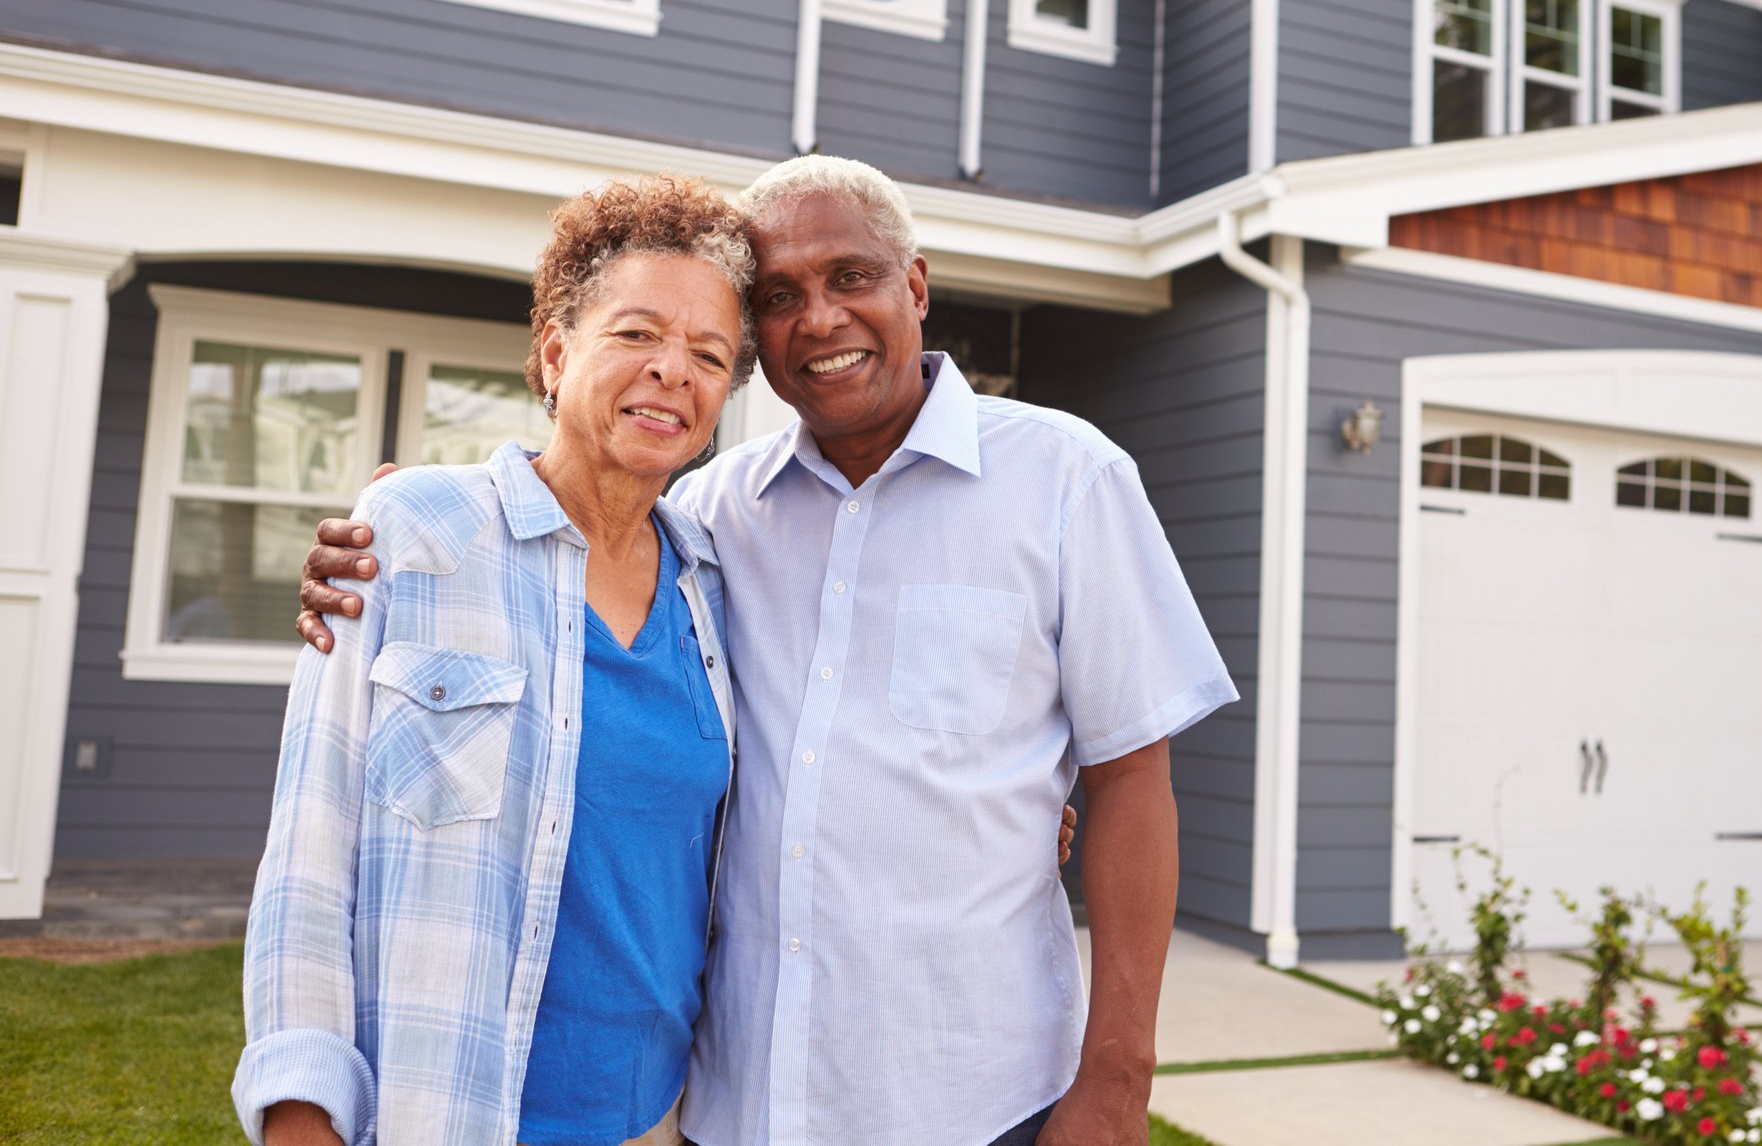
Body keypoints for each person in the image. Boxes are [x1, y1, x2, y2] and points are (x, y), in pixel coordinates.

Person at [301, 155, 1239, 1146]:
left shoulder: (1066, 480)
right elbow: (570, 524)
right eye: (781, 297)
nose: (819, 319)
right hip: (734, 1101)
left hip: (973, 1097)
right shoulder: (711, 515)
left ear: (914, 287)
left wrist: (1119, 1077)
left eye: (851, 277)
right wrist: (405, 544)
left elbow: (1133, 775)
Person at [241, 176, 755, 1146]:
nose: (672, 372)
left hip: (660, 1122)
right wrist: (301, 1119)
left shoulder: (720, 591)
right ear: (556, 354)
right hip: (448, 1114)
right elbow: (309, 859)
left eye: (709, 354)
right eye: (637, 334)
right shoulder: (409, 536)